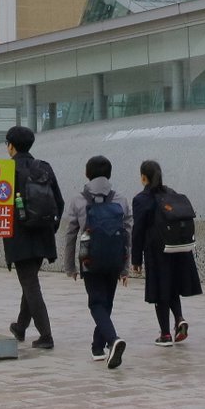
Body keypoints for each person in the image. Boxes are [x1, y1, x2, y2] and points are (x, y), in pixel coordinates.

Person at [64, 154, 131, 369]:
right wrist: (125, 267)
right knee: (106, 303)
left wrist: (70, 266)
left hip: (89, 260)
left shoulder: (78, 199)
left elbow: (71, 235)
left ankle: (112, 340)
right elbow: (128, 234)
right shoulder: (120, 199)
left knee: (95, 303)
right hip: (114, 259)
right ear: (109, 174)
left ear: (87, 173)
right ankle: (97, 347)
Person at [0, 125, 64, 350]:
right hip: (43, 235)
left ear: (11, 146)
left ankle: (46, 335)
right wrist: (49, 228)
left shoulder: (7, 170)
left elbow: (2, 208)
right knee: (30, 282)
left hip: (20, 237)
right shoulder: (43, 167)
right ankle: (20, 326)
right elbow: (59, 202)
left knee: (30, 284)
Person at [131, 159, 201, 345]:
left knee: (160, 291)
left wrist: (136, 259)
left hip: (156, 251)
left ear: (143, 177)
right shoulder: (171, 193)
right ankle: (179, 318)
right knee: (172, 288)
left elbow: (138, 230)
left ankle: (165, 334)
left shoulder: (141, 199)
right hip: (178, 248)